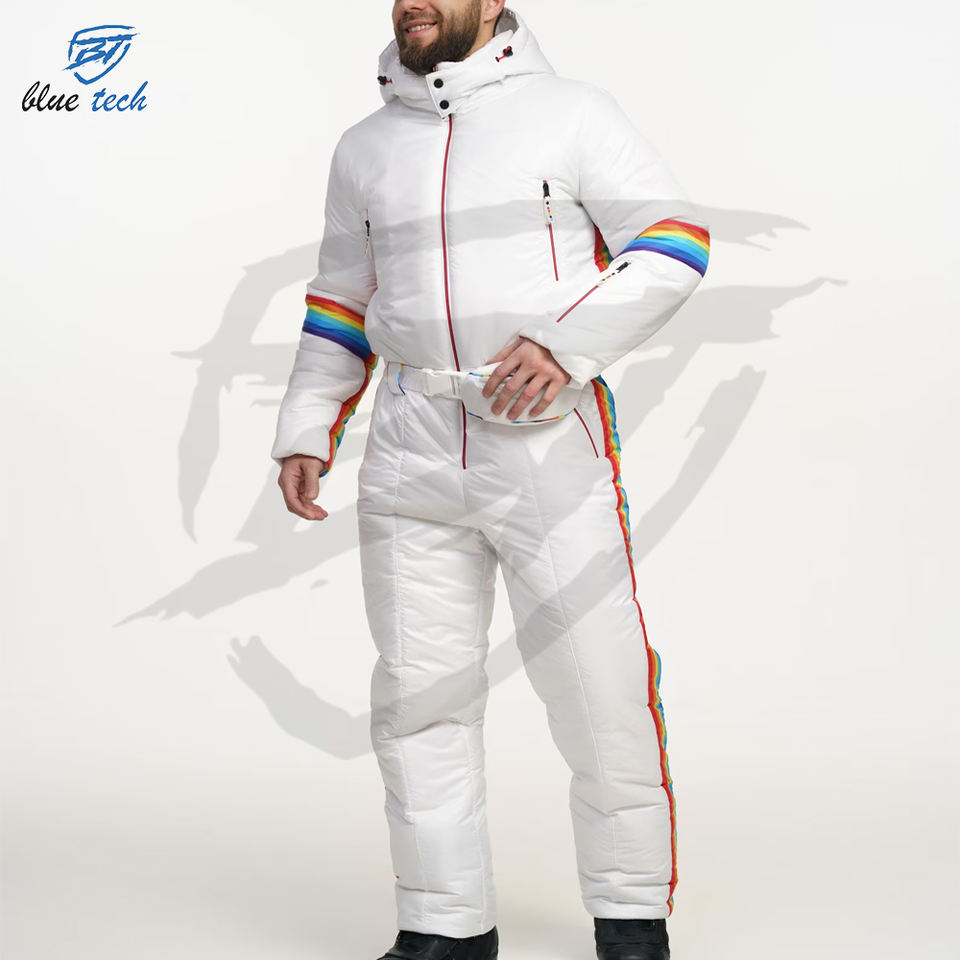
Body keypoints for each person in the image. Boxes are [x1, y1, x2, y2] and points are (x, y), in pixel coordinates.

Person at [271, 3, 709, 958]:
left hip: (543, 440)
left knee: (599, 685)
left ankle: (631, 917)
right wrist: (307, 425)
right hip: (408, 445)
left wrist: (564, 343)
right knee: (417, 698)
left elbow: (674, 243)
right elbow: (341, 299)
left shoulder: (572, 112)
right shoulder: (364, 147)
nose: (412, 2)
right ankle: (444, 926)